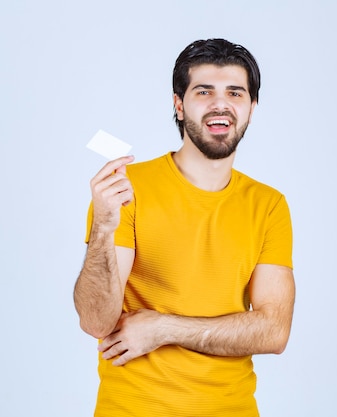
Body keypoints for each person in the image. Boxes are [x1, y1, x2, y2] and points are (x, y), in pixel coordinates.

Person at [74, 38, 295, 417]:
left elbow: (273, 331)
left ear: (251, 108)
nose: (220, 103)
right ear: (179, 104)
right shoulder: (127, 190)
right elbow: (96, 321)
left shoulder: (268, 204)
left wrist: (164, 328)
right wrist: (104, 228)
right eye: (203, 91)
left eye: (235, 93)